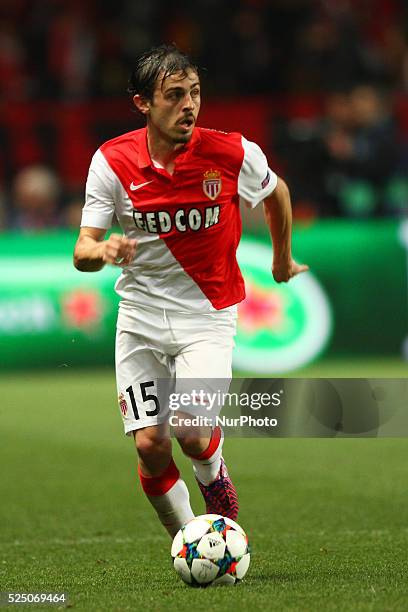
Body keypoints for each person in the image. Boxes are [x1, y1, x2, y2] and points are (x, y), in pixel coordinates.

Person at [73, 44, 308, 537]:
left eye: (195, 93)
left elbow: (277, 193)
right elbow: (82, 251)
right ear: (142, 103)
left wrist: (281, 258)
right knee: (150, 446)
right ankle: (192, 541)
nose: (189, 106)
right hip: (139, 316)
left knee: (191, 429)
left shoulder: (232, 152)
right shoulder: (111, 162)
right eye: (174, 95)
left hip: (208, 313)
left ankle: (211, 469)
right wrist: (105, 250)